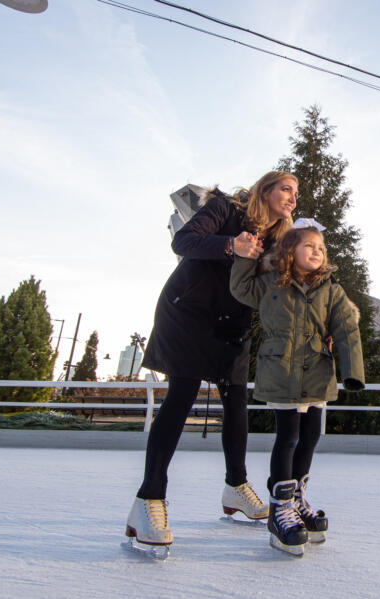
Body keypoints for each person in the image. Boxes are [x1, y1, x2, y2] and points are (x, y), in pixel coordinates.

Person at [125, 171, 299, 550]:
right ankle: (148, 498)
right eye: (286, 189)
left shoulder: (279, 238)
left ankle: (236, 485)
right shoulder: (226, 209)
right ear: (265, 190)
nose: (292, 198)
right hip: (188, 311)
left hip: (231, 322)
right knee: (182, 394)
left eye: (296, 193)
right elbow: (182, 241)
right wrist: (229, 246)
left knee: (236, 401)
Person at [230, 223, 364, 555]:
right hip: (281, 372)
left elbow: (347, 327)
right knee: (287, 438)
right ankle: (280, 506)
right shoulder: (272, 284)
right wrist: (246, 257)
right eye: (309, 245)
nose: (317, 251)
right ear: (290, 252)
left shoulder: (332, 291)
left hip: (317, 374)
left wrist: (352, 372)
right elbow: (240, 287)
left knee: (311, 438)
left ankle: (298, 498)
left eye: (321, 247)